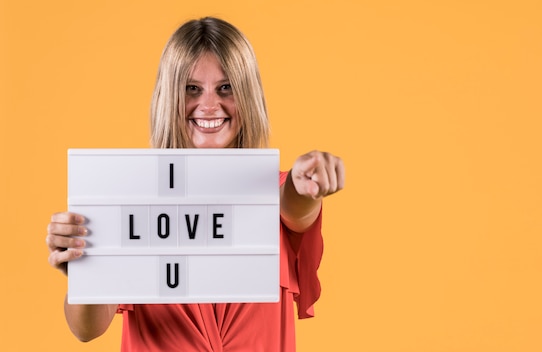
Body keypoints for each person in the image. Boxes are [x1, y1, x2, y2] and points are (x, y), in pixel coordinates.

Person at [46, 16, 344, 351]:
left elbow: (295, 207)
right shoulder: (132, 200)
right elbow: (87, 329)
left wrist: (304, 183)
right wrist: (85, 271)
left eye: (226, 88)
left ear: (248, 95)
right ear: (169, 96)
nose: (209, 105)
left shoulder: (272, 194)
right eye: (192, 88)